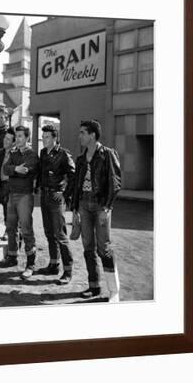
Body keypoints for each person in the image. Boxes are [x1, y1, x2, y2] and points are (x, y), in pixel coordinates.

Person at [71, 120, 122, 301]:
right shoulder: (80, 159)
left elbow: (115, 183)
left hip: (100, 205)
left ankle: (114, 291)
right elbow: (77, 185)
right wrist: (75, 208)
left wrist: (107, 207)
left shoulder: (108, 154)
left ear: (92, 135)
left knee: (104, 248)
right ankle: (94, 287)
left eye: (83, 133)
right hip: (84, 205)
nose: (80, 136)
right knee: (88, 248)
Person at [35, 124, 76, 285]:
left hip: (56, 197)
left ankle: (68, 270)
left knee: (60, 234)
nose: (44, 140)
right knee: (49, 232)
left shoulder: (64, 155)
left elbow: (73, 176)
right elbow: (41, 172)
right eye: (43, 136)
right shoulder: (43, 153)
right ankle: (53, 264)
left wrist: (65, 193)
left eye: (46, 137)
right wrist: (37, 186)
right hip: (45, 195)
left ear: (54, 138)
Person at [0, 126, 39, 279]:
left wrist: (13, 170)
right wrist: (15, 168)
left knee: (26, 229)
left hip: (25, 196)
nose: (17, 139)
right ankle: (12, 256)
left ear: (27, 138)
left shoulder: (32, 154)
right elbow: (5, 169)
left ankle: (30, 264)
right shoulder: (14, 153)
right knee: (10, 227)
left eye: (21, 136)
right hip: (12, 194)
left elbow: (26, 171)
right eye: (16, 136)